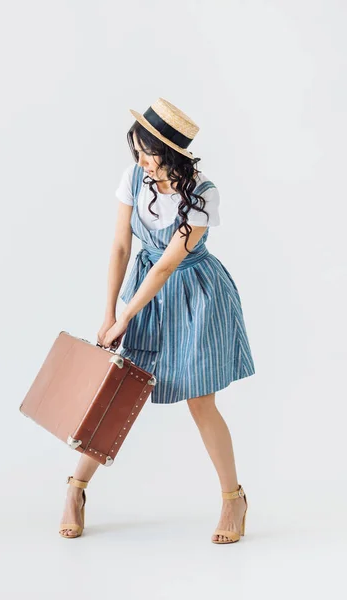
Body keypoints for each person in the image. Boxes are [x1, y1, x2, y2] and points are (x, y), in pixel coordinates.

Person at [59, 97, 255, 543]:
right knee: (116, 388)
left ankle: (233, 499)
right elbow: (121, 248)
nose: (142, 161)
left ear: (174, 153)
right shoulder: (133, 179)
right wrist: (109, 312)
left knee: (200, 400)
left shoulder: (204, 194)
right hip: (142, 293)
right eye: (138, 151)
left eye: (150, 153)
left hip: (194, 295)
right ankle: (76, 488)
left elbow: (167, 265)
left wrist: (126, 316)